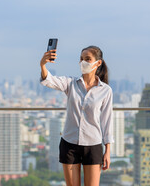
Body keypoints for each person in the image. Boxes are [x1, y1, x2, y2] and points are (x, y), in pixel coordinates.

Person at [40, 45, 114, 186]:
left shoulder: (106, 91)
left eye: (87, 59)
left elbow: (107, 122)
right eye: (81, 59)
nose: (83, 62)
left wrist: (108, 151)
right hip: (69, 145)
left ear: (98, 63)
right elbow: (49, 80)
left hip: (93, 145)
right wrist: (43, 64)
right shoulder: (70, 83)